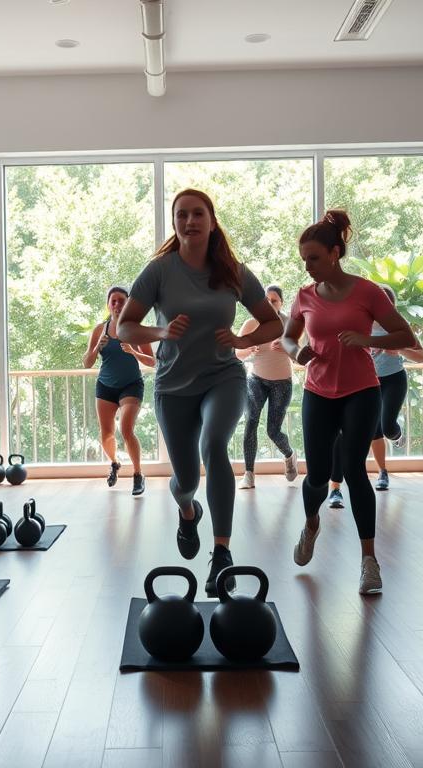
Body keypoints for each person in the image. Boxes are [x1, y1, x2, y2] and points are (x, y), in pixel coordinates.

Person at [119, 188, 282, 597]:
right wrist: (160, 332)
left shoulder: (234, 273)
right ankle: (188, 511)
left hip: (222, 377)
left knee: (214, 445)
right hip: (173, 386)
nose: (189, 221)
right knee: (186, 480)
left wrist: (243, 343)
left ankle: (222, 551)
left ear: (211, 221)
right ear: (175, 223)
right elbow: (123, 327)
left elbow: (273, 324)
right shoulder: (159, 270)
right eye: (181, 215)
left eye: (197, 214)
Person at [281, 210, 417, 595]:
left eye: (314, 258)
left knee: (355, 470)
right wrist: (296, 353)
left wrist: (368, 340)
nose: (307, 266)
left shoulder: (367, 291)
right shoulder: (304, 297)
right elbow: (289, 338)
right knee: (319, 476)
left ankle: (369, 562)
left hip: (361, 390)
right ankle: (311, 526)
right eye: (304, 259)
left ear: (335, 252)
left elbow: (403, 334)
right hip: (318, 392)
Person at [82, 286, 155, 495]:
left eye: (121, 301)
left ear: (128, 304)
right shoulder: (99, 330)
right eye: (113, 301)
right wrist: (97, 348)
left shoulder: (136, 329)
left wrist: (133, 352)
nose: (117, 305)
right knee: (106, 435)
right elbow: (87, 363)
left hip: (131, 385)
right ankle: (114, 463)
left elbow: (153, 362)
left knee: (126, 429)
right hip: (105, 386)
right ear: (108, 305)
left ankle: (138, 474)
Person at [236, 285, 299, 489]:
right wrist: (249, 350)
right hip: (256, 379)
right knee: (251, 422)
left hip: (282, 382)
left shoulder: (289, 323)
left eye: (275, 301)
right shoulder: (251, 323)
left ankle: (289, 455)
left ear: (281, 303)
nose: (270, 304)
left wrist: (287, 348)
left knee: (273, 430)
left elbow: (300, 357)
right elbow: (237, 352)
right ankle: (249, 474)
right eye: (267, 300)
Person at [368, 284, 423, 492]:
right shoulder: (362, 324)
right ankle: (383, 472)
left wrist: (399, 349)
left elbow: (420, 356)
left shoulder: (399, 326)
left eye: (385, 301)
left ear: (391, 304)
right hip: (369, 382)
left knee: (387, 425)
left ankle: (397, 435)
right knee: (374, 429)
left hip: (394, 379)